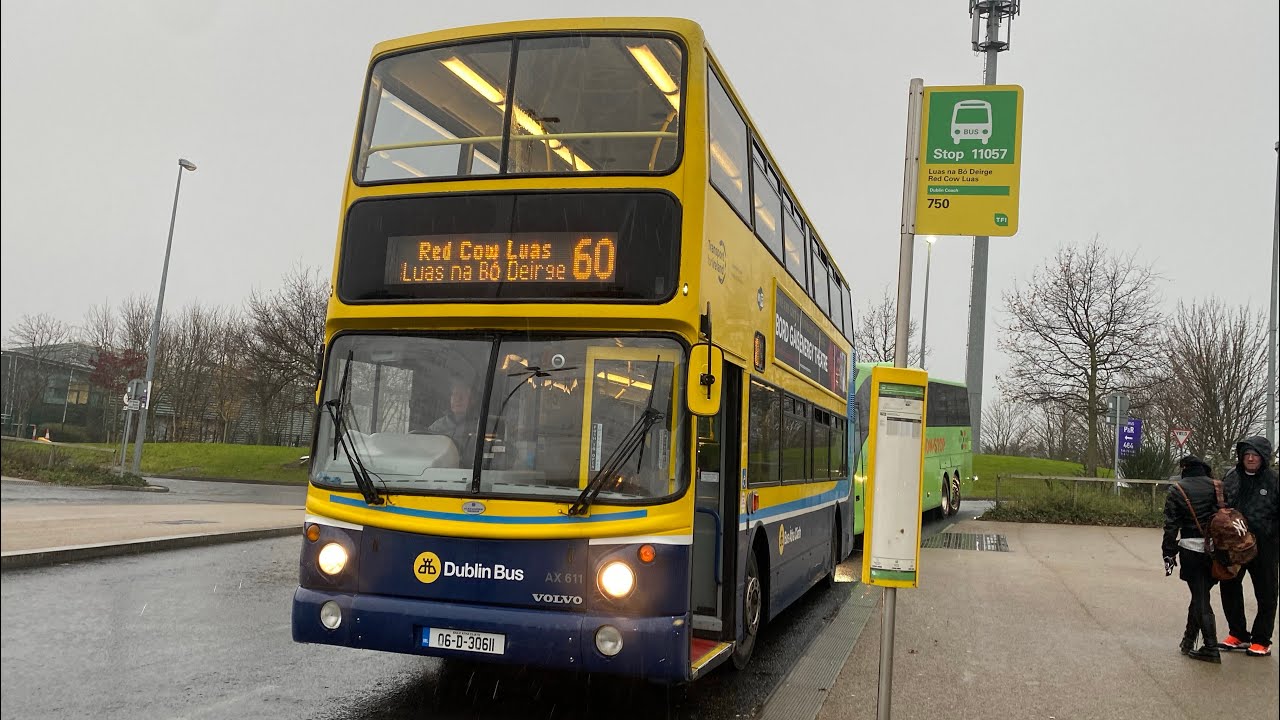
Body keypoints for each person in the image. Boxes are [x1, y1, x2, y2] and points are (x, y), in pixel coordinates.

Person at [1217, 436, 1279, 657]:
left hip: (1265, 545)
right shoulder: (1231, 477)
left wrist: (1271, 534)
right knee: (1229, 586)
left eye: (1255, 455)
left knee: (1266, 592)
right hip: (1234, 544)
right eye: (1247, 455)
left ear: (1263, 458)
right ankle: (1238, 634)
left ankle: (1261, 640)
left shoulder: (1274, 481)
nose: (1251, 459)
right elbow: (1221, 505)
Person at [1163, 455, 1228, 663]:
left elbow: (1171, 525)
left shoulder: (1177, 489)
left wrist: (1168, 552)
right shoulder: (1218, 486)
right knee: (1200, 594)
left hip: (1191, 549)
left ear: (1184, 469)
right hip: (1216, 551)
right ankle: (1188, 640)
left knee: (1200, 598)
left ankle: (1211, 647)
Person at [427, 382, 479, 462]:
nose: (458, 399)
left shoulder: (481, 427)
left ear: (472, 400)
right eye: (455, 394)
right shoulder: (437, 426)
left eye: (463, 395)